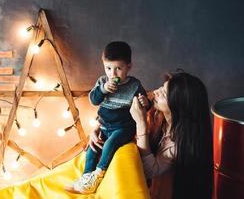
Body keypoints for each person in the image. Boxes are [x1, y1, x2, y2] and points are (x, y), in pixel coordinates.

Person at [89, 71, 213, 199]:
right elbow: (118, 112)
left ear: (178, 107)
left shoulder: (178, 145)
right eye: (162, 86)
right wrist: (98, 128)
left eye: (164, 93)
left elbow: (148, 171)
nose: (157, 91)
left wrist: (141, 123)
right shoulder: (153, 108)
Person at [66, 41, 151, 194]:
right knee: (91, 149)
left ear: (129, 67)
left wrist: (146, 102)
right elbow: (93, 100)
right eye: (108, 68)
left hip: (123, 127)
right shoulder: (103, 82)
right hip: (105, 125)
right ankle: (86, 177)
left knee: (109, 144)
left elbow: (145, 104)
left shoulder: (134, 85)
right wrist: (103, 90)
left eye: (119, 68)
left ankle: (98, 174)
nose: (113, 73)